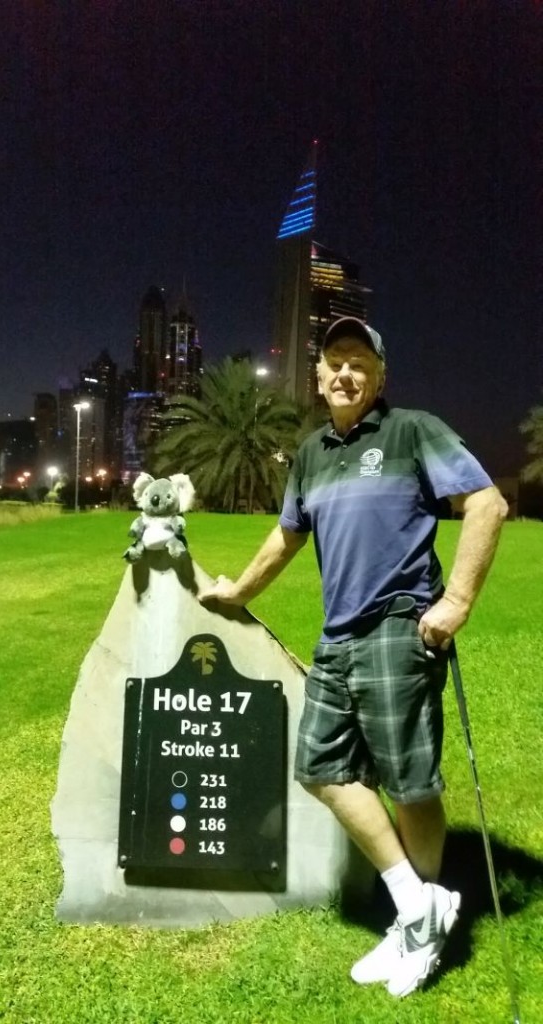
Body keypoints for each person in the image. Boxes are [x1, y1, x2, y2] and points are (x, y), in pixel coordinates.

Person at [199, 316, 508, 998]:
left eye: (358, 363)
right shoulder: (310, 453)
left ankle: (418, 928)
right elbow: (286, 538)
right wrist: (236, 592)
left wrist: (454, 602)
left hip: (400, 630)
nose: (344, 372)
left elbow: (486, 502)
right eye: (333, 361)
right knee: (319, 768)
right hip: (338, 639)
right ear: (317, 375)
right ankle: (418, 904)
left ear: (380, 376)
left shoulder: (412, 430)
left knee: (410, 782)